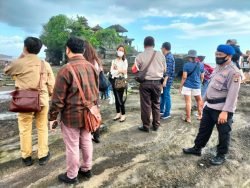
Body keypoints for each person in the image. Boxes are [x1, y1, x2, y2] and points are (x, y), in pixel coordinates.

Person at [48, 37, 99, 184]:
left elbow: (58, 99)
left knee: (72, 146)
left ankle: (71, 175)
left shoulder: (65, 70)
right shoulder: (92, 67)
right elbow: (95, 93)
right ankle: (86, 169)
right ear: (83, 50)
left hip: (71, 116)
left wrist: (52, 117)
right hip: (89, 113)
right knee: (87, 140)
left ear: (67, 50)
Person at [183, 44, 241, 165]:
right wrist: (202, 101)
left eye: (220, 55)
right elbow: (210, 87)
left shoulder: (233, 72)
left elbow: (233, 94)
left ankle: (221, 155)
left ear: (229, 56)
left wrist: (226, 111)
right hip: (209, 106)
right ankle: (197, 148)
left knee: (224, 134)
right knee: (203, 129)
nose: (217, 57)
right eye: (216, 54)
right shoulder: (218, 67)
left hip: (222, 108)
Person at [4, 37, 55, 166]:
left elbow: (7, 70)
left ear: (25, 47)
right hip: (42, 99)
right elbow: (51, 85)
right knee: (42, 127)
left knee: (25, 129)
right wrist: (49, 96)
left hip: (24, 100)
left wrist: (22, 55)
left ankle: (26, 157)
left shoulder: (19, 63)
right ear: (39, 50)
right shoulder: (45, 64)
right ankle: (43, 155)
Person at [132, 36, 166, 132]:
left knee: (145, 105)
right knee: (156, 104)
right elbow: (164, 70)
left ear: (144, 45)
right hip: (157, 83)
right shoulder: (161, 55)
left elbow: (134, 69)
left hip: (145, 83)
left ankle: (146, 126)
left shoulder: (140, 56)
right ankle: (156, 125)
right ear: (154, 44)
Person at [83, 41, 102, 143]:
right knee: (95, 112)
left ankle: (88, 134)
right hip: (95, 91)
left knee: (86, 113)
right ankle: (96, 134)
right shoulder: (95, 61)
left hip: (85, 91)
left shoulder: (83, 62)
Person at [179, 50, 204, 123]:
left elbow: (184, 77)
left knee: (188, 102)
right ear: (195, 57)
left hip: (187, 86)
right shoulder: (201, 65)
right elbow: (202, 76)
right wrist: (200, 83)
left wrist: (180, 87)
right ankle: (200, 115)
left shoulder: (186, 65)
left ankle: (188, 118)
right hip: (197, 85)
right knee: (199, 100)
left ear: (189, 57)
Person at [110, 45, 128, 122]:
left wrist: (117, 69)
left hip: (121, 80)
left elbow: (125, 71)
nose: (121, 51)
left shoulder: (125, 61)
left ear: (124, 52)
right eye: (119, 50)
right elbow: (112, 72)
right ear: (117, 51)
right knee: (116, 98)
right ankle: (118, 113)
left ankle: (123, 114)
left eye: (122, 50)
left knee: (120, 98)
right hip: (114, 80)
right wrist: (119, 70)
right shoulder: (113, 61)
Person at [160, 42, 175, 119]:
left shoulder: (169, 57)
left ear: (164, 48)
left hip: (167, 80)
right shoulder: (167, 56)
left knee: (166, 96)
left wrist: (165, 80)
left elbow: (168, 71)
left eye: (161, 48)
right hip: (165, 80)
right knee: (162, 95)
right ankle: (161, 110)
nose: (161, 49)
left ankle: (167, 113)